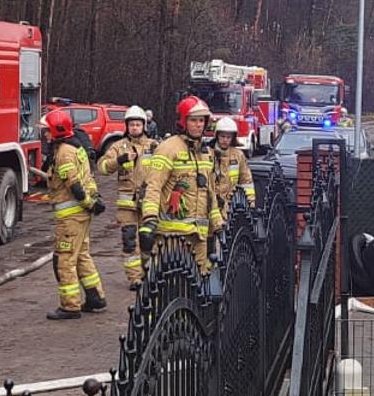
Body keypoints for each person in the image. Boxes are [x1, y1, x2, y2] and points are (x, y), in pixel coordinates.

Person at [139, 97, 224, 274]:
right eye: (193, 120)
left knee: (200, 282)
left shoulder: (206, 153)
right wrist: (149, 219)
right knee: (168, 283)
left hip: (198, 236)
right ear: (184, 122)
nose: (198, 125)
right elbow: (153, 186)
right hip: (171, 237)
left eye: (201, 121)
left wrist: (218, 224)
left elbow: (210, 193)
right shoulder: (168, 148)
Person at [42, 110, 108, 320]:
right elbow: (88, 177)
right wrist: (94, 199)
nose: (45, 135)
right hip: (81, 216)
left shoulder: (63, 153)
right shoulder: (76, 148)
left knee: (65, 259)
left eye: (47, 131)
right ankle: (95, 297)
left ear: (56, 131)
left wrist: (89, 203)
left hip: (70, 218)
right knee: (81, 255)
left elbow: (75, 185)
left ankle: (70, 306)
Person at [97, 106, 158, 290]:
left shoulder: (154, 146)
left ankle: (149, 272)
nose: (134, 128)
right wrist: (119, 160)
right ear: (127, 126)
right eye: (131, 125)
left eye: (138, 124)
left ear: (144, 126)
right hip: (127, 206)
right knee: (129, 241)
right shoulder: (119, 147)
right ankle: (135, 278)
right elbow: (102, 168)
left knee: (148, 239)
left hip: (148, 203)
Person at [211, 116, 256, 210]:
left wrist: (250, 203)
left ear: (233, 138)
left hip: (231, 205)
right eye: (222, 136)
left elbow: (246, 181)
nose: (225, 140)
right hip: (212, 204)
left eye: (228, 137)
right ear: (217, 135)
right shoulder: (208, 154)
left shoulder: (238, 155)